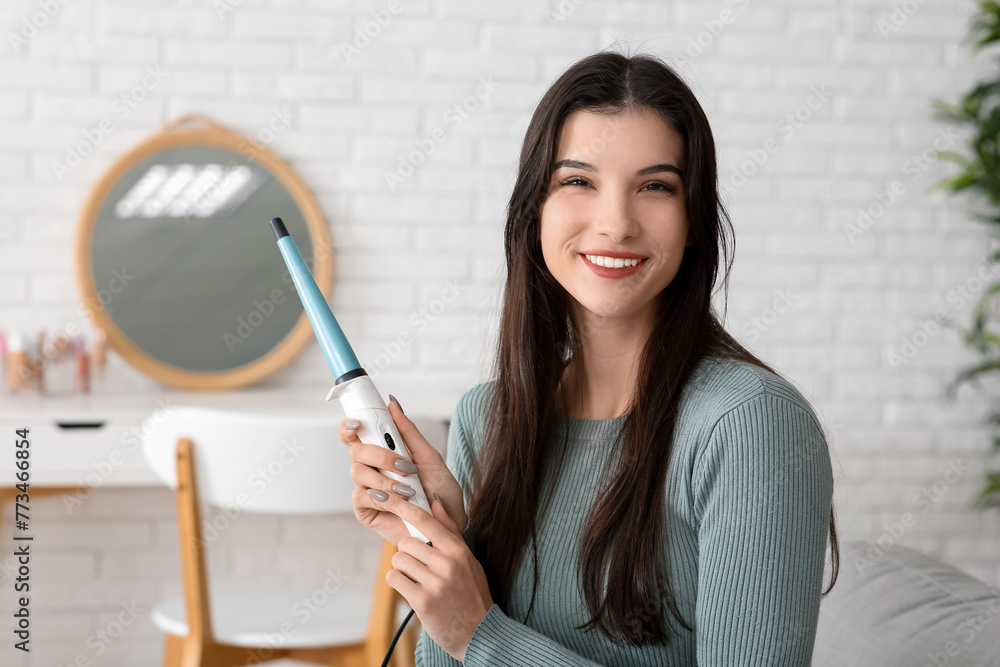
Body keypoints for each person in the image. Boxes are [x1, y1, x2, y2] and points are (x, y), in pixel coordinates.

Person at [338, 49, 840, 666]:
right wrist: (447, 533)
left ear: (693, 220)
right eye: (578, 181)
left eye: (655, 186)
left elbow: (475, 641)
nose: (616, 222)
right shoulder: (487, 416)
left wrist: (483, 635)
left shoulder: (750, 426)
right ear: (534, 210)